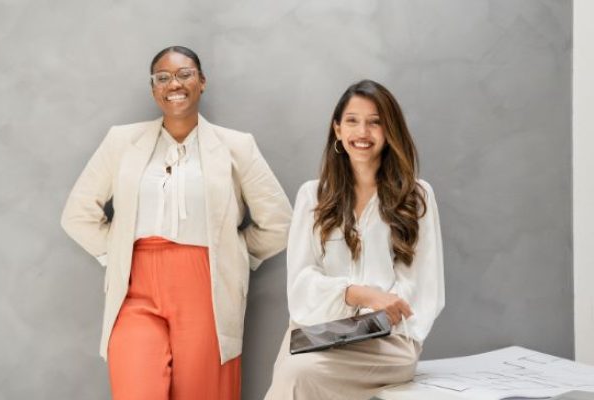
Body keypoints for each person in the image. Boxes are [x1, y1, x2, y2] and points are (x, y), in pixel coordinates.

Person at [61, 45, 292, 400]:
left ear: (202, 82)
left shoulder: (236, 146)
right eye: (163, 77)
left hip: (207, 286)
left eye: (185, 74)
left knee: (203, 392)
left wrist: (233, 255)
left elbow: (279, 222)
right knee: (136, 388)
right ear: (153, 88)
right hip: (134, 288)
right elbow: (78, 214)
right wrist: (118, 254)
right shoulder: (122, 141)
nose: (174, 84)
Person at [264, 79, 445, 400]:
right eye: (352, 121)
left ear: (390, 131)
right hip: (319, 331)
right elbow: (301, 284)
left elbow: (424, 286)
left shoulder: (416, 197)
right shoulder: (313, 196)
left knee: (298, 373)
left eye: (375, 122)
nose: (362, 132)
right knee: (295, 370)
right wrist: (358, 294)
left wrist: (378, 316)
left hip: (387, 342)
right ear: (337, 130)